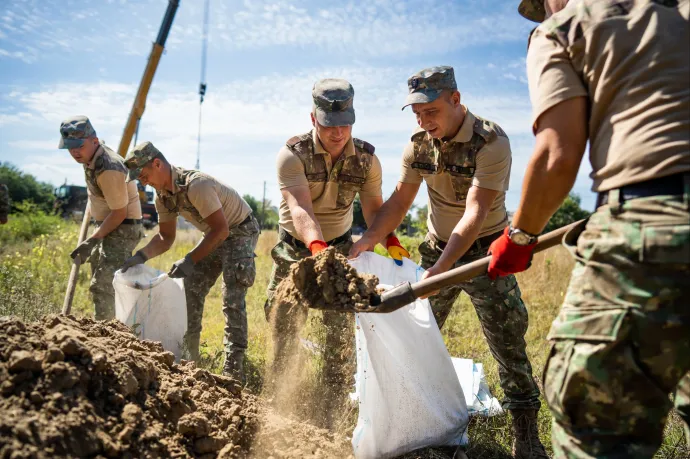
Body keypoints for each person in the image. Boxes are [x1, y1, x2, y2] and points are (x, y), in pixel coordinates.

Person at [487, 0, 690, 456]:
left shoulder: (564, 27)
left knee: (597, 428)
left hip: (650, 229)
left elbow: (558, 156)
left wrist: (520, 236)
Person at [350, 66, 548, 458]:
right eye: (417, 114)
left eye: (431, 112)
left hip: (489, 254)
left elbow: (475, 211)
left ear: (455, 100)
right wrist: (368, 241)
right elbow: (399, 203)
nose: (424, 122)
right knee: (410, 332)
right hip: (435, 247)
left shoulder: (491, 141)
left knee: (508, 343)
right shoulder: (418, 145)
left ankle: (526, 432)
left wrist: (441, 272)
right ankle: (412, 422)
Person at [266, 78, 408, 426]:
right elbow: (300, 209)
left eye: (346, 124)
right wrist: (316, 249)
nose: (338, 133)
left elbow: (374, 209)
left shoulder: (366, 160)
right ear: (314, 119)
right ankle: (281, 394)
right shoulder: (292, 155)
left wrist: (388, 239)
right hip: (296, 247)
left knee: (340, 326)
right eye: (330, 125)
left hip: (342, 245)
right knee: (280, 315)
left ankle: (333, 399)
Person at [121, 141, 259, 383]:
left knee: (232, 298)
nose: (143, 182)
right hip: (217, 234)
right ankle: (190, 360)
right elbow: (166, 237)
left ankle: (234, 371)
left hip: (240, 231)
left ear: (157, 163)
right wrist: (140, 256)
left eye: (144, 175)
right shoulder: (163, 198)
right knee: (191, 289)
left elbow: (221, 230)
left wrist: (189, 259)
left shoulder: (197, 185)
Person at [59, 116, 143, 320]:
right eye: (70, 147)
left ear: (94, 141)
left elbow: (119, 212)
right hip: (110, 224)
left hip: (122, 227)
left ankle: (109, 335)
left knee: (104, 284)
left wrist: (92, 240)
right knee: (101, 276)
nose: (74, 152)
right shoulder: (90, 155)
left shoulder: (108, 168)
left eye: (78, 146)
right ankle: (110, 326)